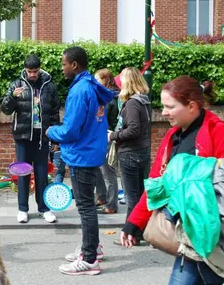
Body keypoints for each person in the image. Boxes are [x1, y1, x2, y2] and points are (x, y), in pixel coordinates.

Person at [119, 76, 224, 284]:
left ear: (191, 106)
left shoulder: (218, 130)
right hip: (188, 234)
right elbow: (157, 183)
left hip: (213, 233)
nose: (163, 112)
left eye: (169, 107)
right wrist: (134, 222)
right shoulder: (172, 137)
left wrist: (187, 171)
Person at [47, 46, 114, 275]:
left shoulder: (79, 90)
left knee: (85, 207)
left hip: (81, 155)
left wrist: (51, 131)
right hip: (91, 152)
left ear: (74, 65)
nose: (62, 67)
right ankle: (92, 247)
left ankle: (89, 258)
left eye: (64, 63)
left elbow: (70, 131)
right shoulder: (92, 86)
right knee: (87, 206)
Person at [1, 54, 60, 224]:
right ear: (25, 70)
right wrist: (12, 96)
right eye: (29, 71)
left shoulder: (49, 85)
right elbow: (5, 109)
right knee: (23, 173)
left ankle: (44, 208)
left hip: (42, 136)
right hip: (23, 136)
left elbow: (55, 112)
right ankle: (22, 209)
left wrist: (55, 138)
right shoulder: (17, 84)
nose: (32, 74)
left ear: (39, 69)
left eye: (35, 71)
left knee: (42, 173)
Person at [108, 67, 151, 224]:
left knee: (131, 196)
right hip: (142, 151)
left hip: (130, 153)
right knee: (139, 195)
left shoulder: (132, 103)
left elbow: (133, 129)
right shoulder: (143, 100)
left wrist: (113, 135)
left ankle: (132, 232)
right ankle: (140, 229)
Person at [93, 69, 120, 214]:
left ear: (105, 80)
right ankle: (102, 197)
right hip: (100, 137)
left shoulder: (109, 98)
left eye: (97, 79)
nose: (95, 82)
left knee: (109, 173)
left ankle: (111, 205)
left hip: (106, 137)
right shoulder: (105, 96)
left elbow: (104, 119)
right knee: (98, 168)